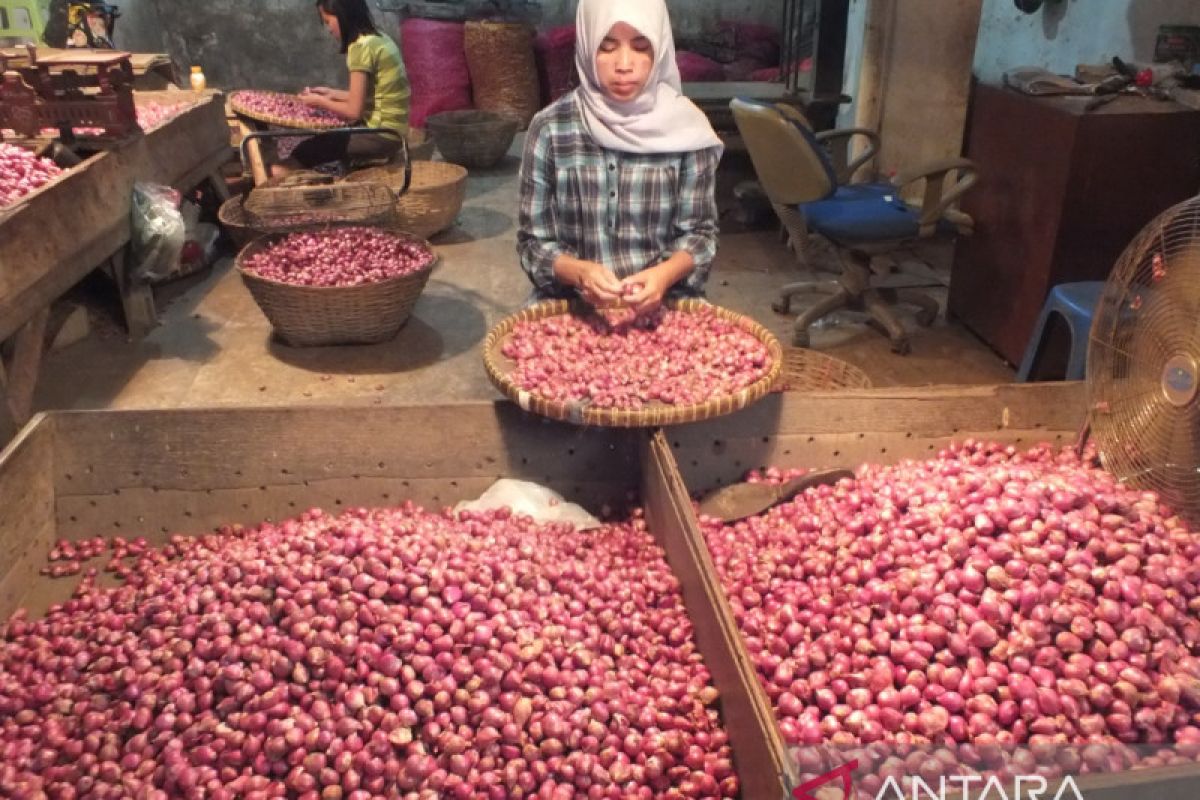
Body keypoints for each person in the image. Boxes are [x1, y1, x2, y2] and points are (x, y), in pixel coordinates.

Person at [517, 0, 723, 315]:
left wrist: (662, 276)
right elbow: (533, 243)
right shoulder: (550, 129)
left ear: (660, 49)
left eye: (641, 47)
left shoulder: (688, 130)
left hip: (667, 303)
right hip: (570, 307)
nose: (624, 64)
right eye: (607, 47)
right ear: (586, 46)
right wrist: (580, 273)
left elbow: (700, 236)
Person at [285, 0, 410, 170]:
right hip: (395, 131)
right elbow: (373, 95)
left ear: (342, 16)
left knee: (304, 151)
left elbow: (354, 111)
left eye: (328, 21)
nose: (329, 29)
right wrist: (331, 93)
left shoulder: (360, 47)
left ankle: (278, 178)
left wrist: (319, 102)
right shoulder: (379, 38)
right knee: (328, 140)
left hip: (380, 135)